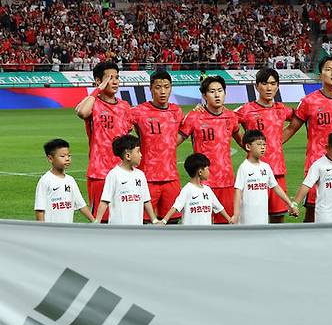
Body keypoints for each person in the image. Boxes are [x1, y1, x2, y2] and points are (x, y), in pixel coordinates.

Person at [282, 56, 332, 222]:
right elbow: (292, 128)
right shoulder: (309, 101)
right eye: (328, 69)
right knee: (312, 210)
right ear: (320, 75)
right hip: (317, 162)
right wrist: (272, 145)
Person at [179, 75, 241, 224]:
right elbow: (174, 141)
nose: (217, 94)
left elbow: (245, 142)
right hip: (203, 183)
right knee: (202, 225)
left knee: (226, 225)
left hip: (226, 181)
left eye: (220, 90)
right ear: (204, 95)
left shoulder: (231, 117)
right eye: (212, 91)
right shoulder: (194, 117)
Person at [74, 61, 132, 221]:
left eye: (117, 78)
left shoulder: (125, 106)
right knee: (101, 221)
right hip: (100, 172)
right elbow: (82, 112)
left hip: (122, 172)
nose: (115, 82)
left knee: (122, 218)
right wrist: (97, 90)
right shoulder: (93, 104)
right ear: (98, 81)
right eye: (110, 78)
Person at [235, 68, 294, 223]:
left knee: (278, 217)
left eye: (273, 84)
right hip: (253, 172)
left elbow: (299, 119)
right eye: (265, 84)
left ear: (278, 86)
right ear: (256, 86)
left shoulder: (282, 109)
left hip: (277, 170)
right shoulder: (246, 109)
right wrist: (246, 144)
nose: (269, 88)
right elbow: (227, 121)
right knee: (252, 217)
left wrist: (279, 140)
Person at [130, 70, 184, 222]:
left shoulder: (177, 111)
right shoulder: (138, 111)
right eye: (158, 87)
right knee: (143, 221)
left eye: (166, 87)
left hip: (171, 176)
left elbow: (185, 131)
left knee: (172, 221)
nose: (163, 91)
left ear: (171, 88)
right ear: (150, 88)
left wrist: (168, 145)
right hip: (147, 176)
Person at [233, 130, 297, 225]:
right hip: (247, 219)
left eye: (264, 144)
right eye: (259, 144)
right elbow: (238, 192)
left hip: (262, 217)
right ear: (248, 147)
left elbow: (276, 187)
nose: (262, 147)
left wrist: (290, 204)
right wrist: (236, 214)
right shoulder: (244, 168)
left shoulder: (266, 167)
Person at [94, 135, 160, 225]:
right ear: (128, 155)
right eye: (138, 152)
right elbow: (105, 201)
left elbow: (146, 200)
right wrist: (97, 222)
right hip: (118, 229)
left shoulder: (140, 175)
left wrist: (154, 220)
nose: (141, 155)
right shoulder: (114, 174)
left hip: (136, 228)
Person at [160, 153, 232, 225]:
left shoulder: (208, 190)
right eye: (207, 169)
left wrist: (229, 220)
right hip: (190, 234)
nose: (209, 172)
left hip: (205, 234)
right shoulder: (187, 189)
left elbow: (219, 208)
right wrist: (164, 221)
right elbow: (176, 207)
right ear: (200, 172)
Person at [34, 138, 94, 223]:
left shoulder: (70, 180)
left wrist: (94, 221)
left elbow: (81, 205)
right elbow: (40, 209)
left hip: (67, 230)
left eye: (69, 155)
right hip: (51, 231)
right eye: (62, 156)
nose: (67, 159)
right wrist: (42, 229)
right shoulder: (45, 181)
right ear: (50, 158)